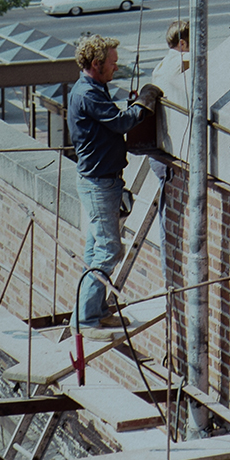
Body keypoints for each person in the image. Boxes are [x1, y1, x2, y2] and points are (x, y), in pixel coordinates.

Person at [68, 34, 161, 336]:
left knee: (96, 249)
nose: (115, 68)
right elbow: (121, 124)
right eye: (111, 63)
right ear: (96, 64)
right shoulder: (89, 94)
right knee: (109, 250)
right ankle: (86, 319)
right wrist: (144, 104)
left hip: (100, 181)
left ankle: (95, 310)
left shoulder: (93, 88)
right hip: (99, 183)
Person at [148, 20, 189, 280]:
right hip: (170, 153)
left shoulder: (162, 64)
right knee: (169, 218)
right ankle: (169, 276)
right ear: (183, 43)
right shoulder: (181, 63)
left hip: (159, 149)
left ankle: (169, 273)